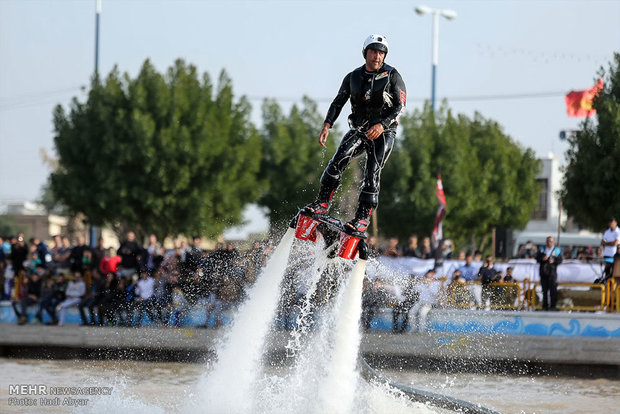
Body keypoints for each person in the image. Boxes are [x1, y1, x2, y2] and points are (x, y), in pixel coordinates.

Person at [303, 34, 406, 233]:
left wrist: (382, 125)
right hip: (359, 129)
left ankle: (361, 217)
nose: (377, 56)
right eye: (374, 51)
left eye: (381, 53)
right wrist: (327, 125)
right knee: (338, 159)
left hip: (384, 131)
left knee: (372, 170)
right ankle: (322, 203)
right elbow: (338, 101)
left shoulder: (393, 75)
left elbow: (400, 106)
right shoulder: (353, 77)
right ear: (365, 53)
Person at [535, 236, 563, 310]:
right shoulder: (542, 250)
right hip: (543, 273)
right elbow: (537, 258)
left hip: (552, 273)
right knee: (544, 291)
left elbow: (560, 260)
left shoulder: (556, 250)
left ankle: (553, 306)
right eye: (548, 241)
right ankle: (545, 306)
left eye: (551, 241)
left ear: (553, 242)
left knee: (553, 290)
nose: (549, 243)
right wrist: (542, 259)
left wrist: (553, 261)